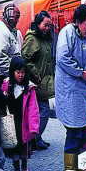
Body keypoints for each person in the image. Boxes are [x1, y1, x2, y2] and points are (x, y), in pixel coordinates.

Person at [55, 4, 86, 169]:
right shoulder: (67, 33)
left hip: (82, 89)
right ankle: (70, 169)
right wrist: (80, 72)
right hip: (69, 90)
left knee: (82, 129)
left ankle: (79, 164)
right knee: (73, 131)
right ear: (78, 22)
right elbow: (62, 58)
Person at [21, 11, 54, 151]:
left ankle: (36, 138)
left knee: (40, 111)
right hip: (36, 82)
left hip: (44, 81)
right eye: (45, 25)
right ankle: (34, 138)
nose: (47, 28)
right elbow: (25, 59)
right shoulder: (32, 38)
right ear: (38, 23)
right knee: (43, 110)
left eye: (49, 25)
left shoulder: (45, 38)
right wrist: (36, 75)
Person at [3, 57, 40, 171]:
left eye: (23, 72)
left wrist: (34, 126)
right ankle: (16, 169)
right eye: (18, 72)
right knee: (13, 145)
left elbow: (33, 108)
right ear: (12, 72)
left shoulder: (29, 88)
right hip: (11, 121)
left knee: (24, 145)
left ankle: (24, 165)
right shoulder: (7, 85)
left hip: (23, 122)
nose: (20, 75)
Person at [0, 3, 22, 84]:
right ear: (7, 16)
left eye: (18, 17)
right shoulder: (1, 30)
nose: (17, 20)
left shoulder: (9, 29)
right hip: (1, 76)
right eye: (15, 17)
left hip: (7, 74)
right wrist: (11, 74)